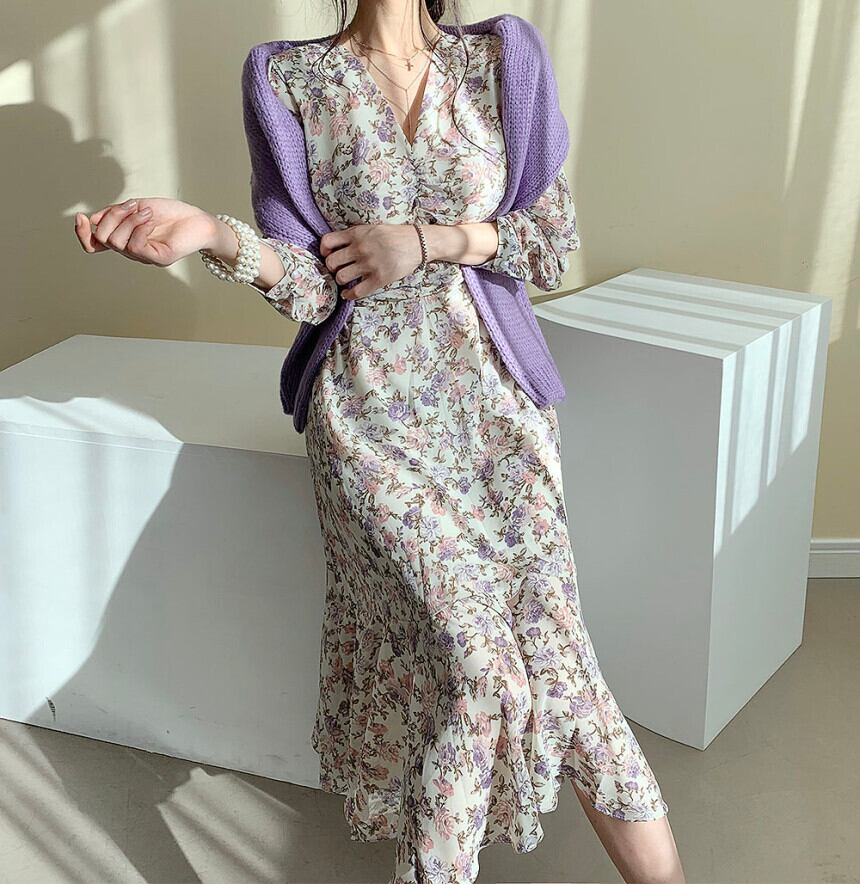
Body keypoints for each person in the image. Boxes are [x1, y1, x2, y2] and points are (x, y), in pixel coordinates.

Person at [73, 2, 685, 882]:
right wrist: (211, 234)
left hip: (497, 412)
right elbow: (313, 286)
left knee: (561, 661)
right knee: (478, 670)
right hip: (369, 416)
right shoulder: (286, 76)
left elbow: (550, 245)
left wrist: (428, 243)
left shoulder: (501, 57)